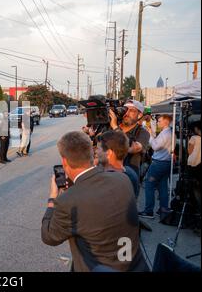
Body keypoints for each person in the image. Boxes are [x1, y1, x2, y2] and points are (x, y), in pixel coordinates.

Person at [41, 131, 147, 272]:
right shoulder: (123, 179)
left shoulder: (67, 201)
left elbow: (49, 237)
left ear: (64, 161)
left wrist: (52, 198)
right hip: (133, 265)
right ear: (92, 155)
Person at [139, 114, 174, 219]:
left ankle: (149, 211)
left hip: (159, 163)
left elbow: (154, 146)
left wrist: (149, 135)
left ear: (166, 122)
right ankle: (163, 209)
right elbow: (157, 143)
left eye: (159, 121)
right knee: (163, 186)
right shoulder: (169, 132)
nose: (158, 123)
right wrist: (152, 135)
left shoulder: (165, 133)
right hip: (166, 162)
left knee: (149, 185)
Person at [109, 100, 150, 177]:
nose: (126, 113)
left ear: (139, 115)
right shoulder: (110, 127)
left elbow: (133, 148)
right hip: (107, 175)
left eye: (131, 111)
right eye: (125, 109)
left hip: (128, 177)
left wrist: (115, 128)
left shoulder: (143, 132)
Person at [95, 130, 140, 198]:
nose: (96, 151)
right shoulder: (130, 173)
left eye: (98, 148)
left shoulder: (107, 180)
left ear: (109, 153)